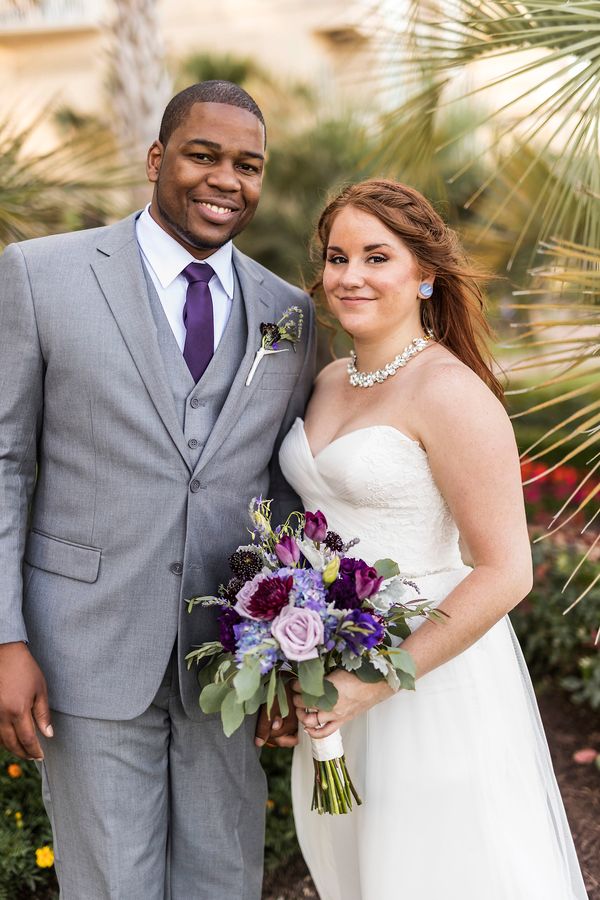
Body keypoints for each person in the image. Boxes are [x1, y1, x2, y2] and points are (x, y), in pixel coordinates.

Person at [0, 81, 314, 899]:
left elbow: (282, 491)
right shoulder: (41, 276)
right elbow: (4, 463)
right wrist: (4, 637)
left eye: (248, 165)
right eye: (203, 154)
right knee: (110, 885)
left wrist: (291, 649)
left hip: (230, 663)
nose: (225, 180)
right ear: (156, 159)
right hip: (86, 648)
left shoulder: (289, 313)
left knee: (224, 878)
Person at [278, 180, 587, 900]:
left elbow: (507, 571)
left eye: (377, 257)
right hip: (333, 669)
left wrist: (374, 684)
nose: (350, 276)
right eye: (337, 257)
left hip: (430, 680)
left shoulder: (451, 392)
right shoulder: (325, 381)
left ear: (424, 277)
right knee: (355, 868)